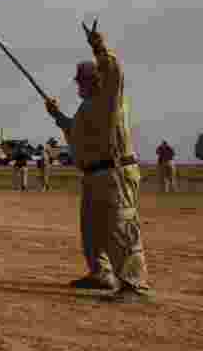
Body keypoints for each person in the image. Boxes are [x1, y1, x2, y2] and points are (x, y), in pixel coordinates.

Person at [44, 20, 151, 303]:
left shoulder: (110, 96)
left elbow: (114, 71)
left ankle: (133, 285)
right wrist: (57, 116)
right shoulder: (85, 107)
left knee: (120, 227)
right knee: (92, 229)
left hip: (115, 173)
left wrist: (99, 47)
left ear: (96, 79)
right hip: (93, 175)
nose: (78, 84)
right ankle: (101, 275)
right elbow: (76, 136)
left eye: (82, 79)